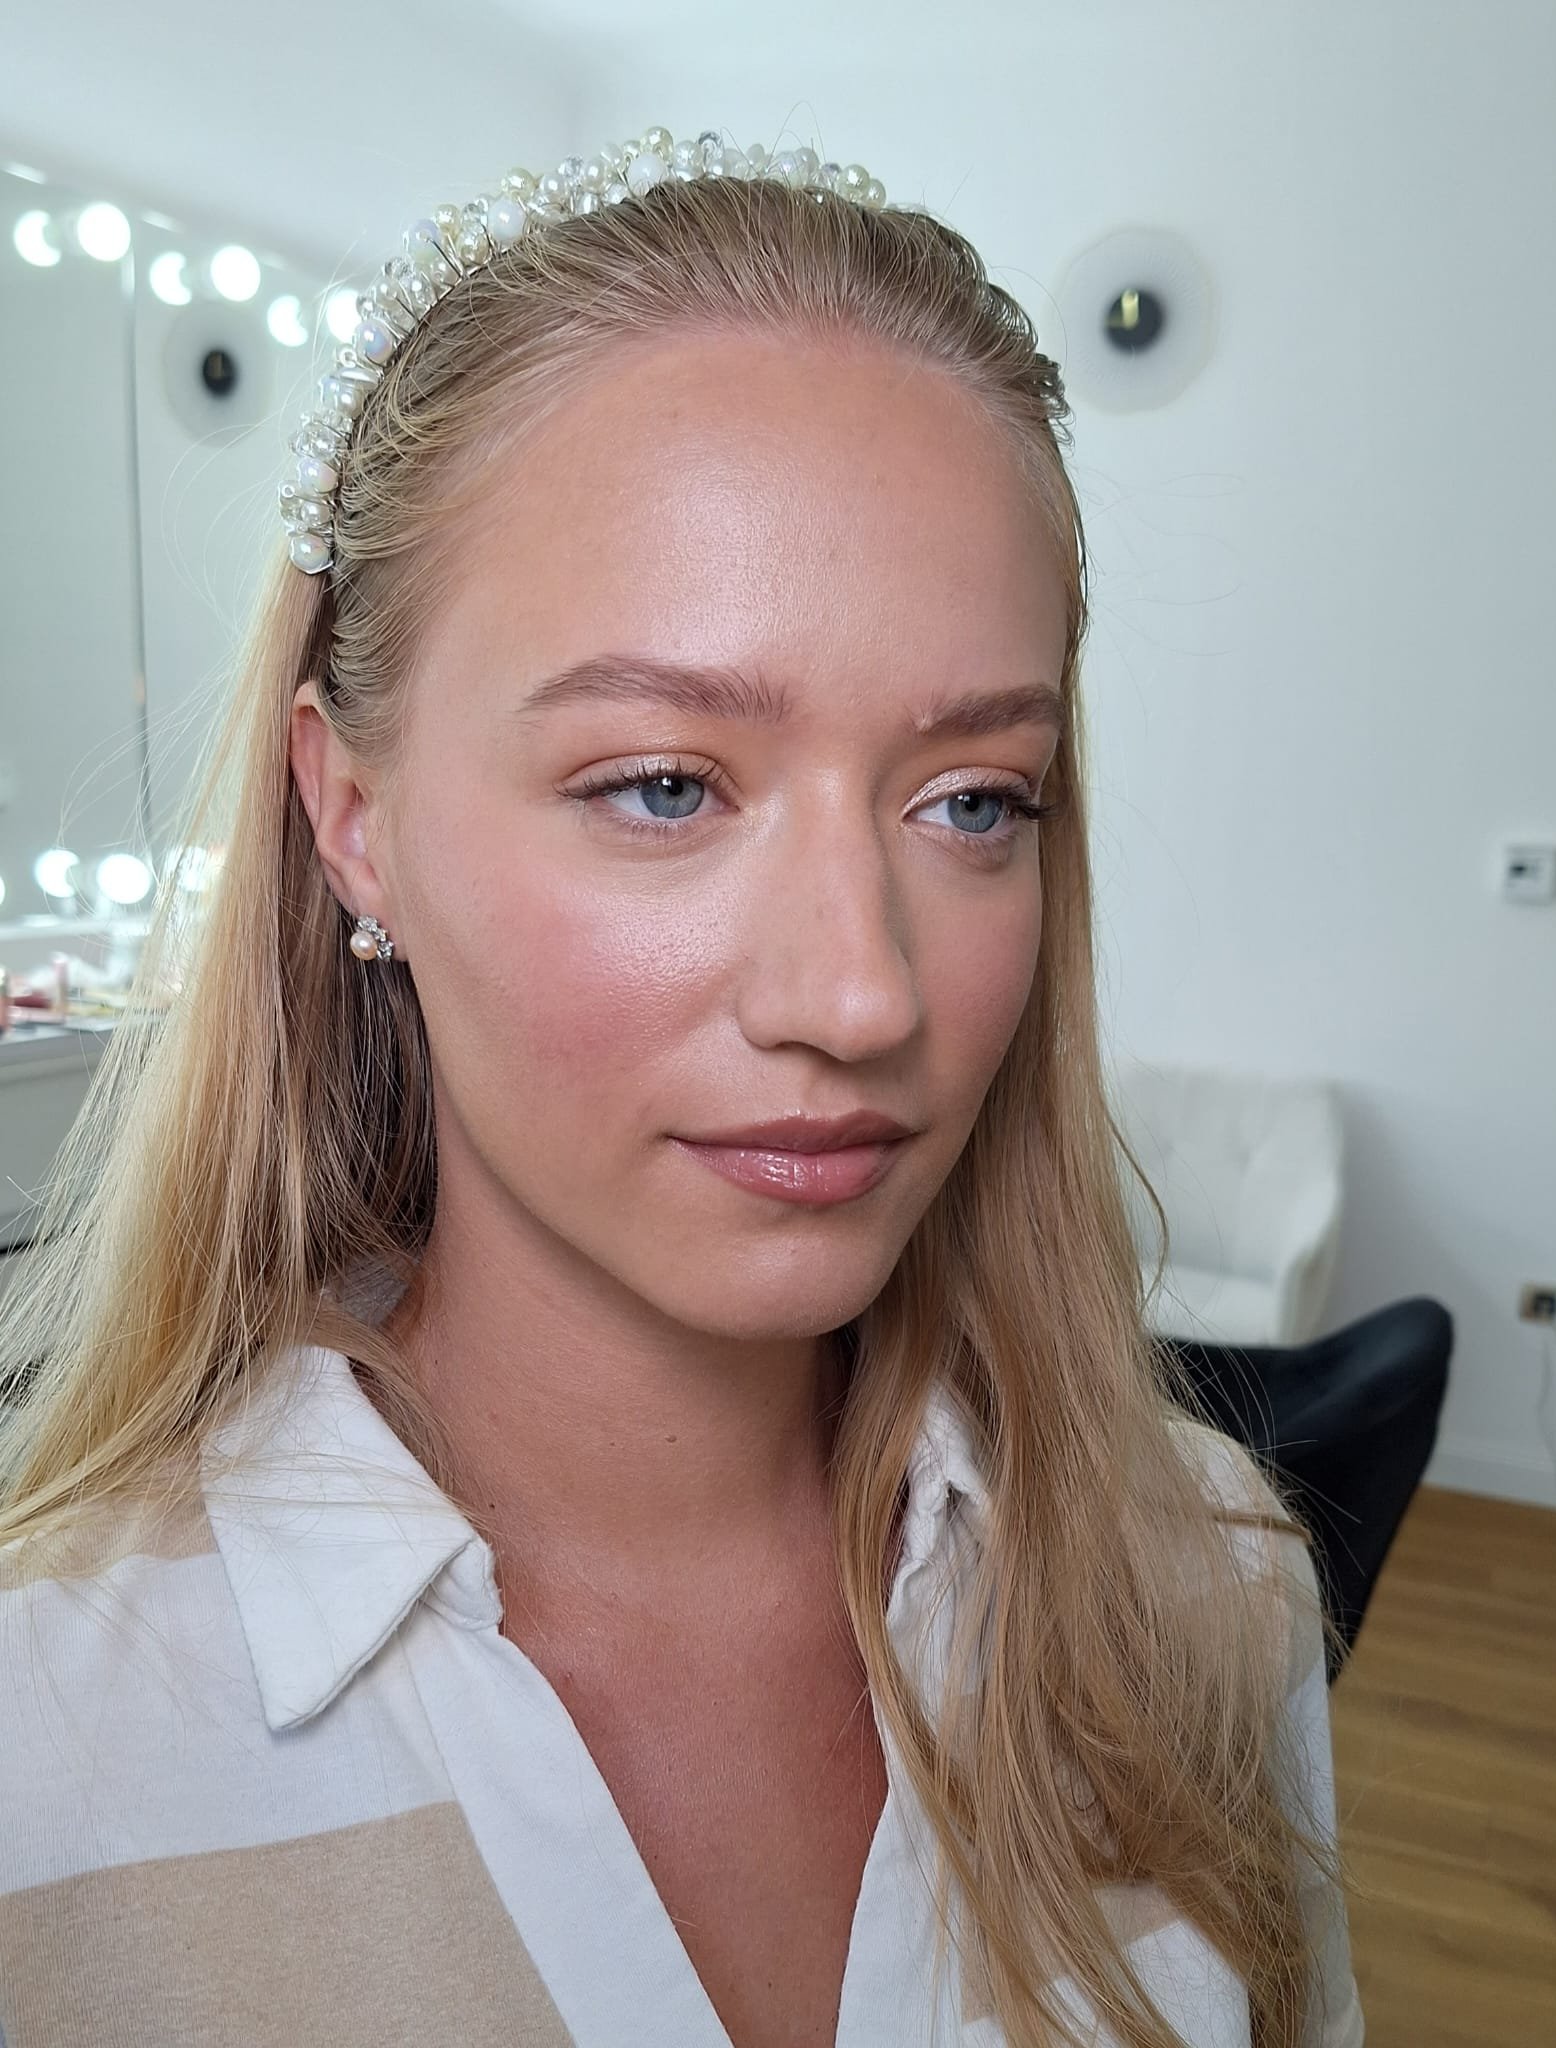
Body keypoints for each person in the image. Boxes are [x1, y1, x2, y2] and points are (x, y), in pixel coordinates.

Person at [0, 126, 1364, 2048]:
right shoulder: (47, 1741)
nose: (861, 993)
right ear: (354, 816)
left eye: (973, 802)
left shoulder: (1208, 1593)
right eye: (663, 787)